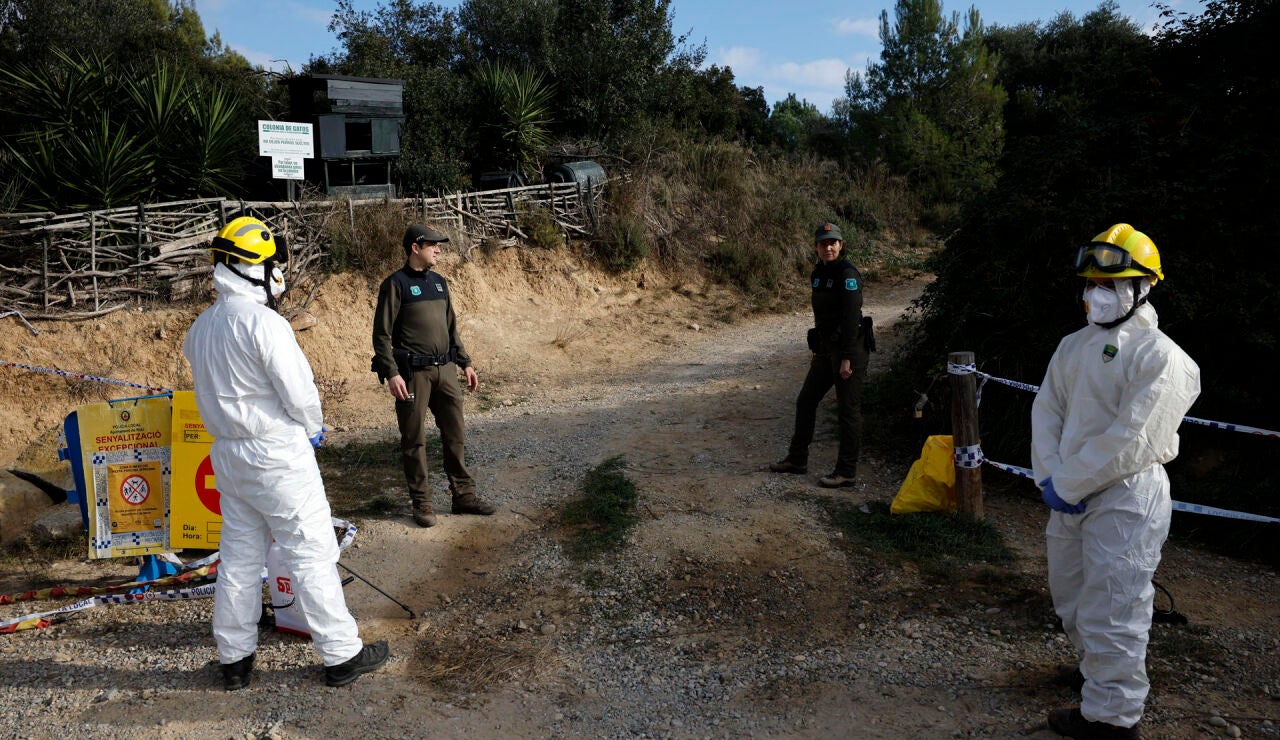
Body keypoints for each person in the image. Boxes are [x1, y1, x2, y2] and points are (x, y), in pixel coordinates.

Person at [183, 216, 389, 690]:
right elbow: (299, 393)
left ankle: (234, 660)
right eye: (274, 261)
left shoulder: (201, 327)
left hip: (228, 457)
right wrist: (314, 428)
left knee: (237, 559)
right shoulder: (264, 323)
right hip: (275, 453)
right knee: (311, 551)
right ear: (255, 266)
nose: (279, 270)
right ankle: (342, 655)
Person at [1031, 224, 1201, 739]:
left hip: (1126, 495)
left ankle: (1112, 718)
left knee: (1115, 605)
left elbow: (1136, 436)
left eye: (1110, 285)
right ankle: (1095, 676)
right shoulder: (1074, 346)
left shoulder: (1163, 358)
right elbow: (1048, 410)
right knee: (1073, 596)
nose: (1096, 295)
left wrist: (1072, 481)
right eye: (1091, 285)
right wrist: (1051, 477)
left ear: (1142, 287)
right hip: (1070, 490)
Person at [372, 224, 495, 527]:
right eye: (433, 245)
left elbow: (451, 328)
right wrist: (391, 373)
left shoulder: (440, 283)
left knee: (455, 435)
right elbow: (381, 335)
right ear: (415, 248)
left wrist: (465, 362)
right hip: (413, 374)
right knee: (414, 440)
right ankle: (422, 504)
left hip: (446, 371)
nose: (439, 249)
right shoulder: (395, 284)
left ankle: (463, 496)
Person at [769, 221, 871, 488]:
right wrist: (820, 347)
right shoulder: (818, 274)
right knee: (806, 400)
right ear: (816, 247)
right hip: (828, 350)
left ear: (841, 245)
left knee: (847, 410)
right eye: (823, 243)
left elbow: (851, 318)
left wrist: (847, 357)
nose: (828, 247)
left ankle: (846, 471)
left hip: (850, 349)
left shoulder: (847, 274)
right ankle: (797, 459)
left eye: (833, 242)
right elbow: (823, 316)